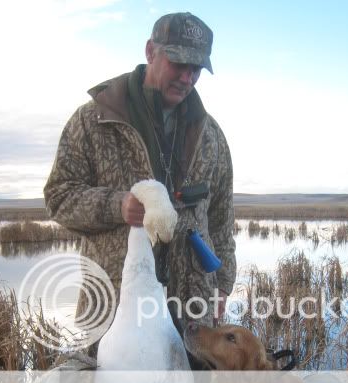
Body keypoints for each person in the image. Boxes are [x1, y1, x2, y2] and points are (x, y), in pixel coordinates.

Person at [44, 12, 236, 344]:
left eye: (197, 69)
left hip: (191, 313)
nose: (187, 77)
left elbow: (221, 218)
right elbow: (59, 197)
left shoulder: (211, 135)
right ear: (150, 51)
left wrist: (221, 286)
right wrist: (116, 206)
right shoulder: (93, 120)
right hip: (115, 310)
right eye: (178, 63)